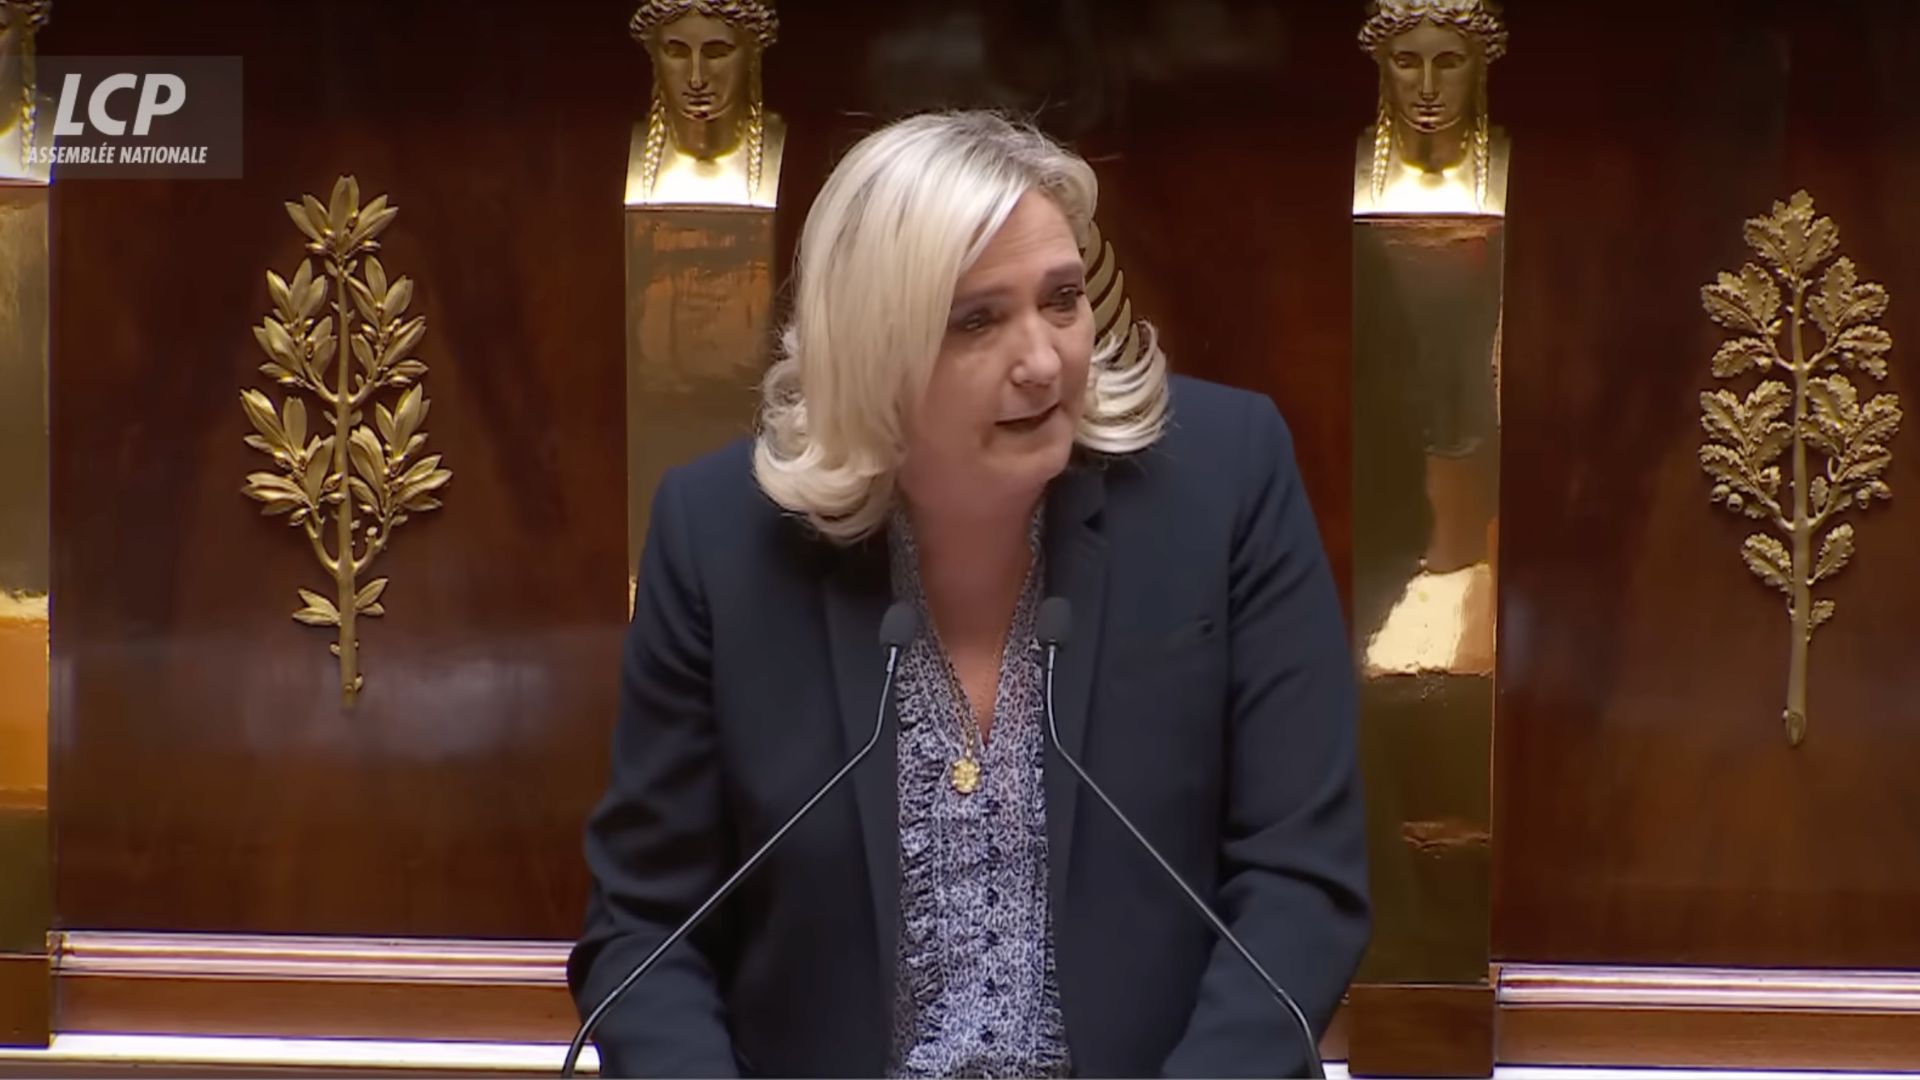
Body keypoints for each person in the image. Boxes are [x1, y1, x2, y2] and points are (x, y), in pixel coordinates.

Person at [570, 109, 1369, 1078]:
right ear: (873, 353)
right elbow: (645, 931)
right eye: (977, 320)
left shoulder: (1223, 482)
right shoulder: (720, 541)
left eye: (1062, 300)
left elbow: (1299, 881)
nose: (1043, 360)